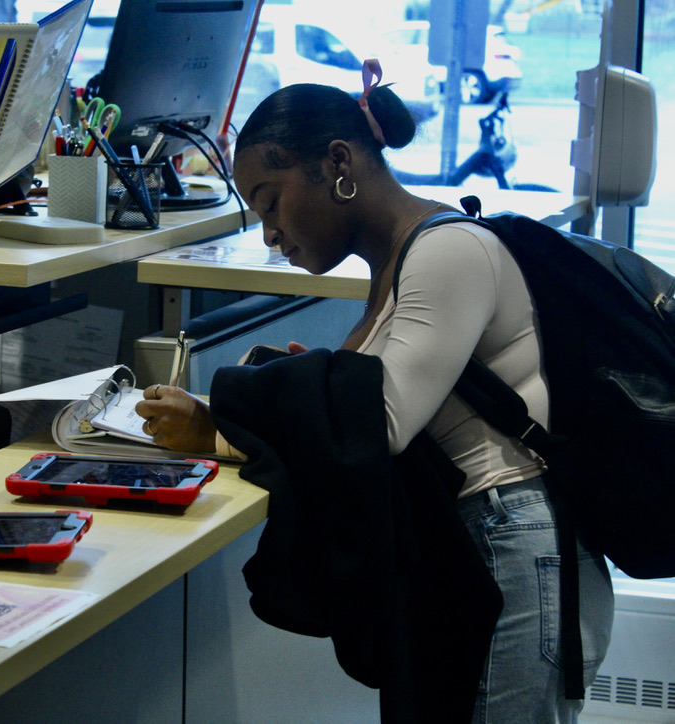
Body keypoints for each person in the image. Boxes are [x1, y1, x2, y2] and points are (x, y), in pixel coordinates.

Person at [135, 62, 614, 723]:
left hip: (508, 546)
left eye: (271, 202)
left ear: (337, 163)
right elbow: (356, 404)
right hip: (479, 547)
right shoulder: (394, 265)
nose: (270, 234)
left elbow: (380, 419)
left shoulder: (447, 252)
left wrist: (218, 425)